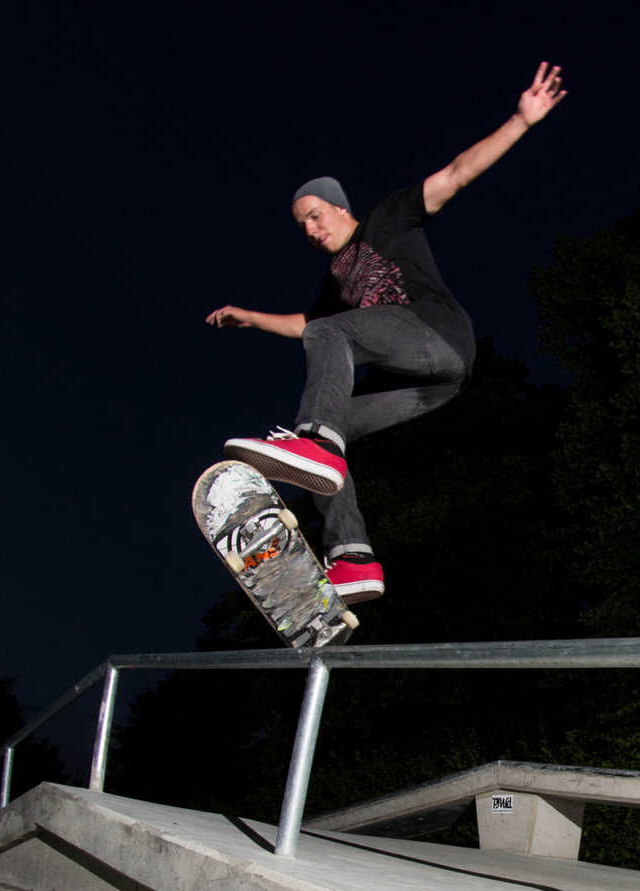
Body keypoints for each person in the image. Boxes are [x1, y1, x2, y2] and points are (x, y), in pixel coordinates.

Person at [206, 63, 565, 605]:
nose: (310, 229)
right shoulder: (333, 285)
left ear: (340, 207)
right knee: (332, 432)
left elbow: (457, 173)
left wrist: (520, 119)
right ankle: (352, 558)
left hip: (436, 337)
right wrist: (251, 318)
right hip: (432, 386)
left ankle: (316, 442)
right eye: (301, 225)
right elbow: (309, 326)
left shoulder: (386, 218)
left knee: (323, 390)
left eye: (315, 215)